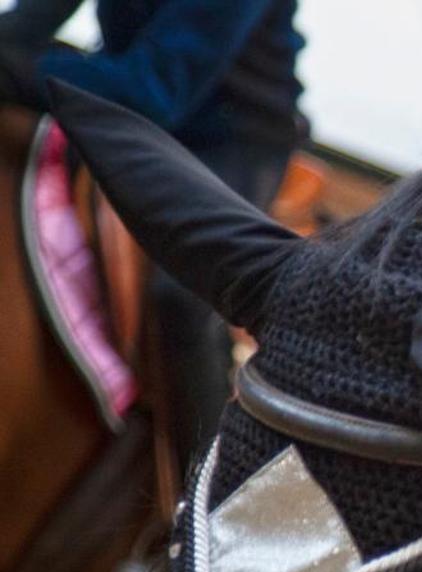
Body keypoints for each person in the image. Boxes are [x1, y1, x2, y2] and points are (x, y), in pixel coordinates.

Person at [0, 0, 303, 464]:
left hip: (227, 139)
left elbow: (153, 89)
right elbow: (28, 24)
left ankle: (205, 484)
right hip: (128, 109)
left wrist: (18, 70)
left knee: (179, 297)